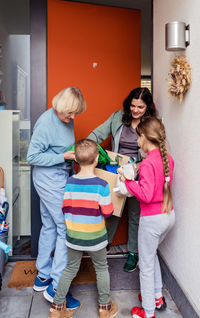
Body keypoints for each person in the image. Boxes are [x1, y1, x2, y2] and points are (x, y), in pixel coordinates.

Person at [27, 87, 86, 307]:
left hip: (58, 176)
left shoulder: (66, 118)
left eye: (75, 114)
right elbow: (32, 156)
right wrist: (63, 156)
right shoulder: (46, 122)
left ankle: (43, 276)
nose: (73, 118)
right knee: (66, 228)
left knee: (50, 226)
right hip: (48, 179)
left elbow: (62, 148)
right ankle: (56, 289)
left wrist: (71, 166)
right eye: (70, 113)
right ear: (61, 107)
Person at [88, 87, 157, 272]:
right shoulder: (118, 117)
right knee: (111, 210)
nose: (135, 110)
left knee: (135, 214)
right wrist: (86, 148)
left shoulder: (150, 123)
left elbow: (155, 149)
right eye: (133, 105)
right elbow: (96, 135)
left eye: (140, 107)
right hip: (116, 171)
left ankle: (133, 253)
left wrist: (141, 167)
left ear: (147, 108)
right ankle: (104, 245)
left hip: (139, 173)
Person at [48, 139, 118, 318]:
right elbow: (108, 211)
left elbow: (65, 208)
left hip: (74, 237)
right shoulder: (101, 185)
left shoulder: (70, 182)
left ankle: (57, 308)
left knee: (70, 269)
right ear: (96, 159)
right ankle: (105, 308)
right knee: (101, 268)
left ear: (76, 160)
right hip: (96, 238)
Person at [120, 117, 175, 318]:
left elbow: (145, 194)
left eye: (137, 137)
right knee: (151, 256)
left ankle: (148, 312)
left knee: (145, 265)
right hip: (168, 216)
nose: (136, 141)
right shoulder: (167, 158)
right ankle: (157, 296)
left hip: (151, 220)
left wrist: (128, 182)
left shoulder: (147, 163)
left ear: (144, 137)